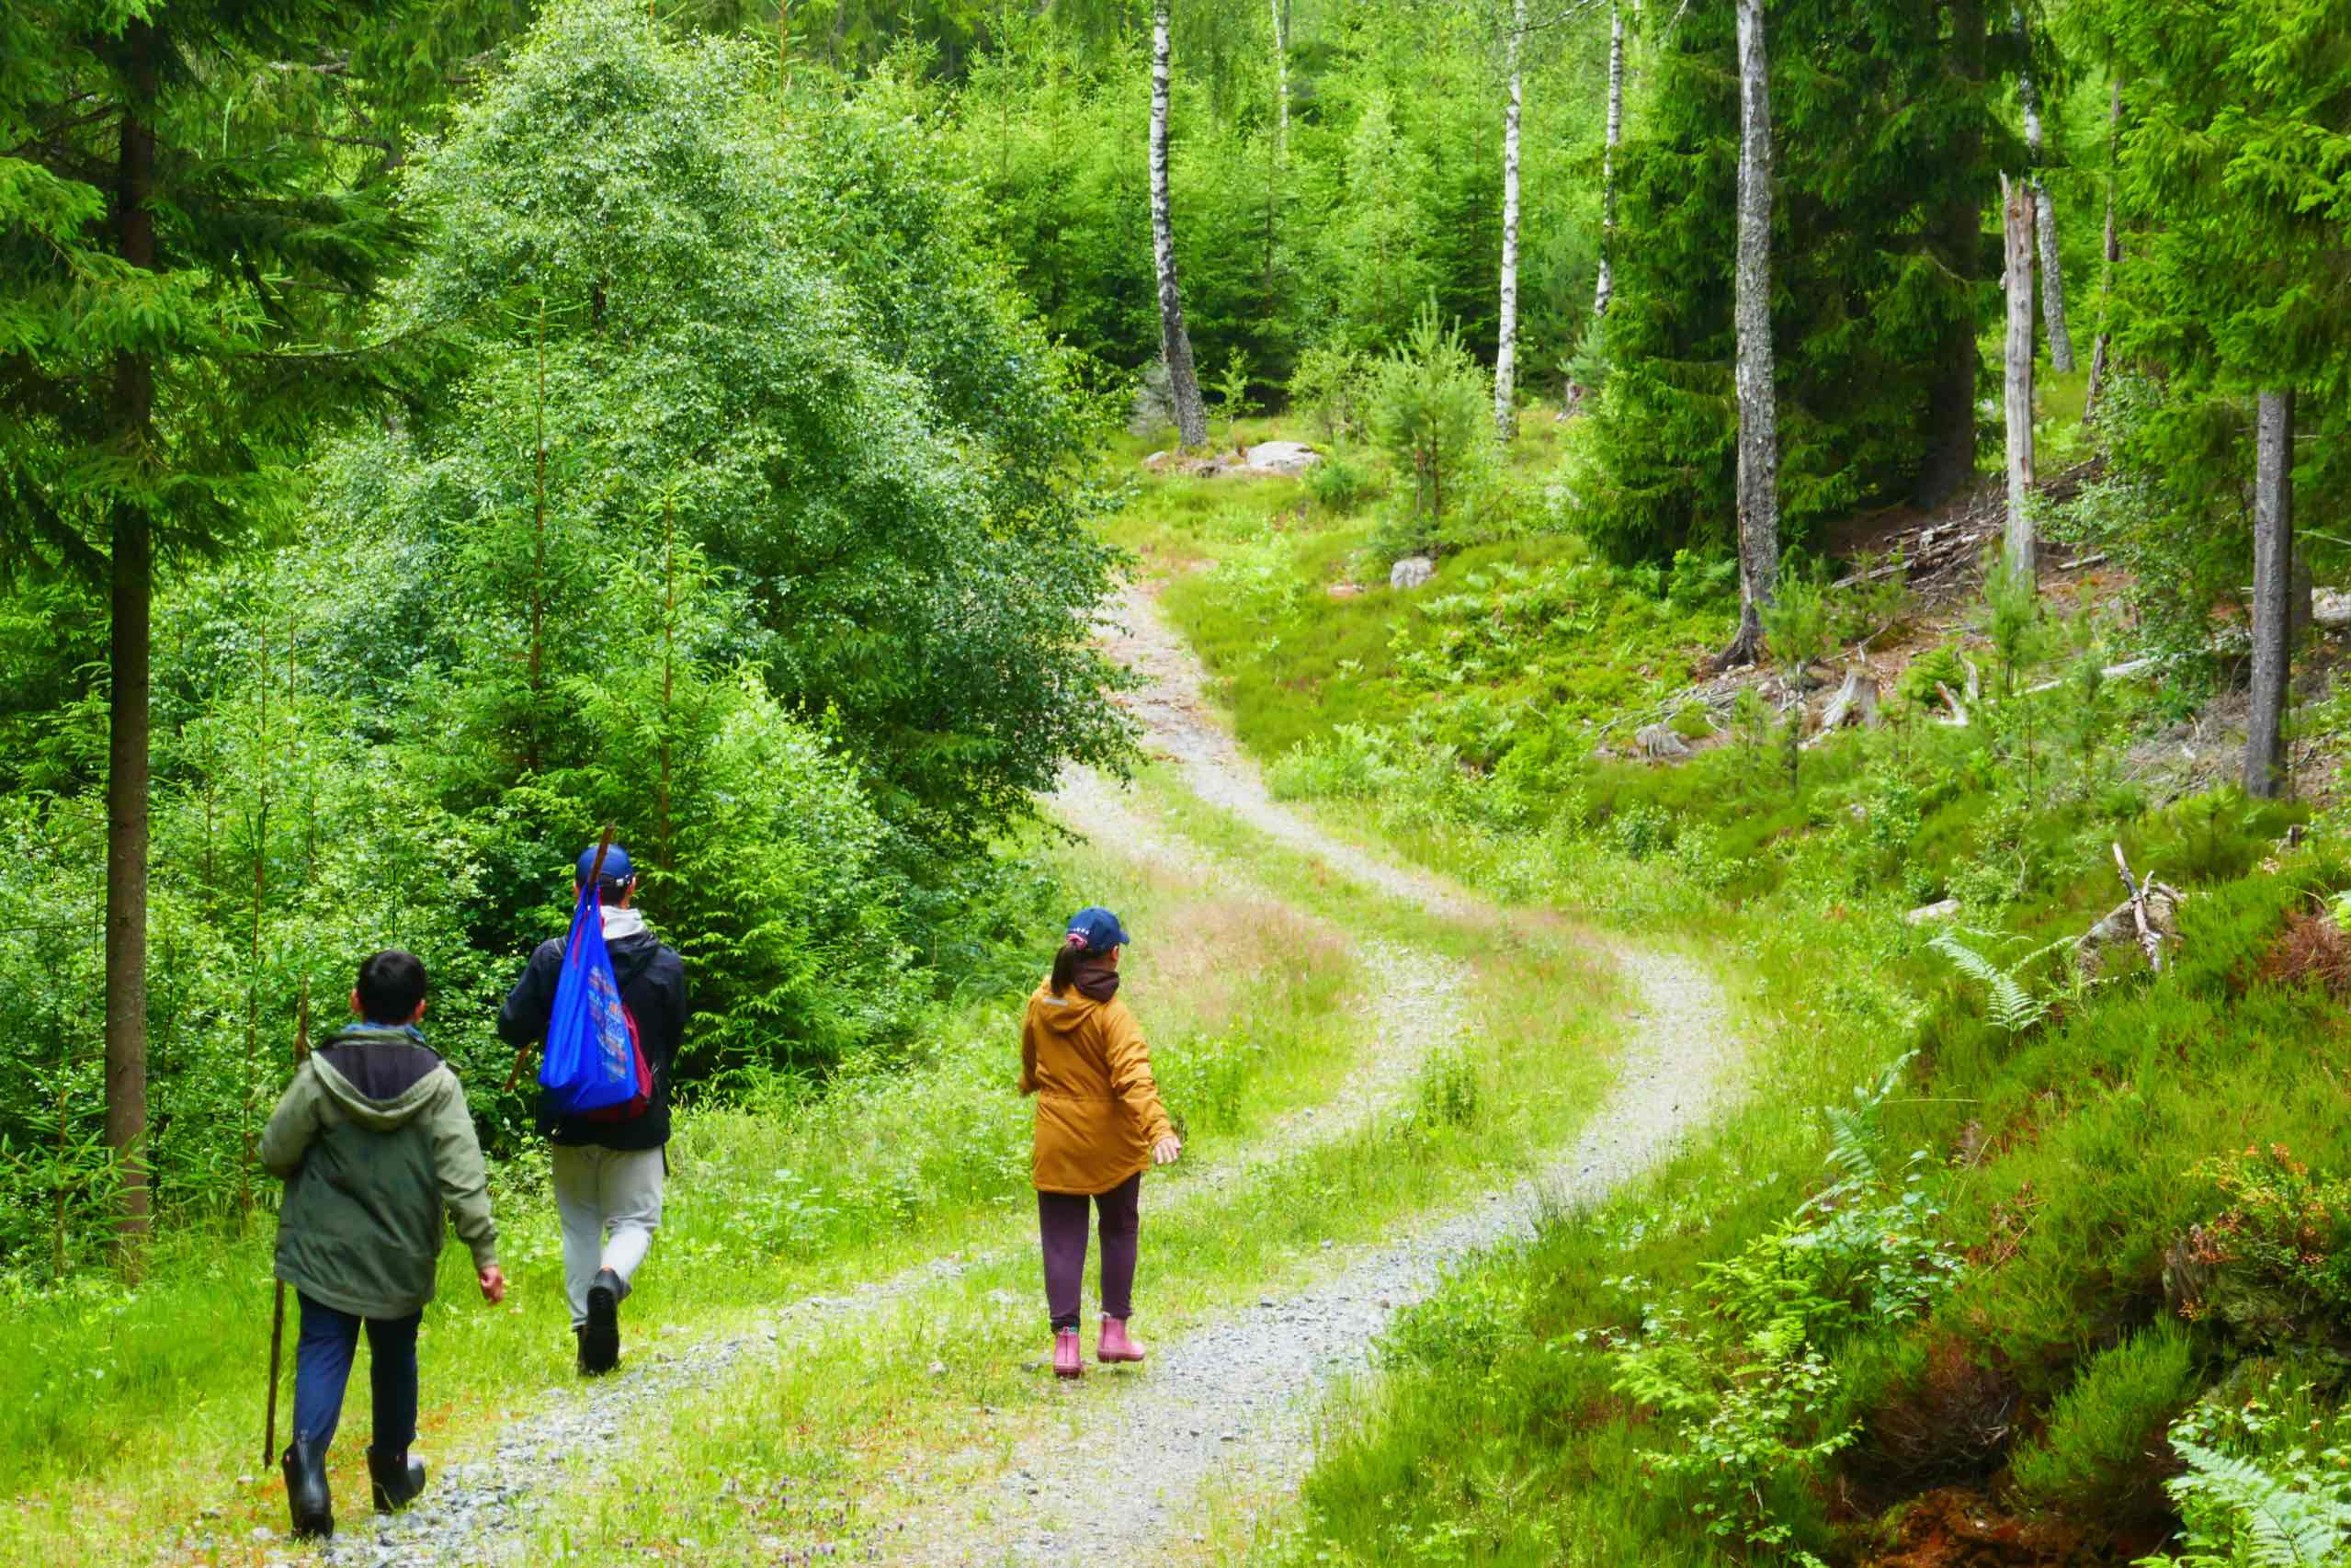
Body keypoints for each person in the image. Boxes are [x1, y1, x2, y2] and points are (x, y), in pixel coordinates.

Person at [261, 949, 505, 1541]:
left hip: (325, 1252)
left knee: (323, 1348)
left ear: (355, 1001)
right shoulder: (439, 1083)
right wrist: (484, 1253)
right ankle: (391, 1473)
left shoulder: (321, 1072)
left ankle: (311, 1477)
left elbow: (274, 1152)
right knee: (395, 1353)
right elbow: (462, 1173)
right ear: (420, 1009)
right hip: (401, 1252)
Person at [497, 841, 687, 1376]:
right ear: (632, 889)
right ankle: (611, 1280)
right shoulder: (664, 962)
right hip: (637, 1120)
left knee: (579, 1226)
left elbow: (511, 1026)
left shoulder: (556, 957)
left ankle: (588, 1345)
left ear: (578, 891)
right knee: (636, 1224)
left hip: (570, 1118)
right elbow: (671, 1038)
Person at [1019, 906, 1182, 1379]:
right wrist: (1158, 1130)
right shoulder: (1113, 1015)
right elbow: (1135, 1078)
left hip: (1057, 1137)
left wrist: (1032, 1082)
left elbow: (1030, 1055)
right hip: (1111, 1145)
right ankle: (1114, 1335)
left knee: (1062, 1240)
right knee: (1118, 1230)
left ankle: (1065, 1348)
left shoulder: (1040, 1001)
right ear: (1113, 955)